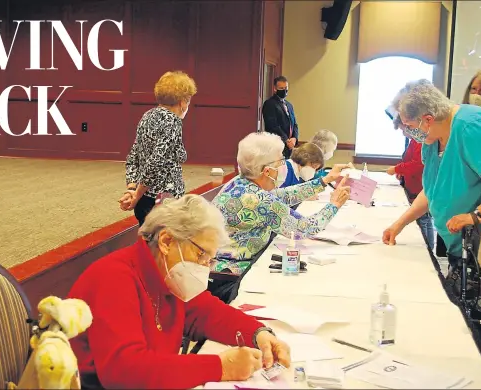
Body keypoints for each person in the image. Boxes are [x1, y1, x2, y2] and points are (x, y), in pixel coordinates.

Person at [69, 194, 291, 389]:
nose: (205, 266)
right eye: (201, 255)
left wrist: (258, 333)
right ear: (167, 241)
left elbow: (207, 313)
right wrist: (221, 367)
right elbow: (125, 371)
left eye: (210, 260)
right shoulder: (114, 278)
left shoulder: (165, 275)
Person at [382, 80, 481, 278]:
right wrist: (399, 224)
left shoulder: (472, 126)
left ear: (428, 119)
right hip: (461, 250)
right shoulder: (432, 138)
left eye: (410, 126)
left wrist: (478, 215)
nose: (410, 133)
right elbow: (433, 190)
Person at [211, 132, 351, 276]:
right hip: (232, 271)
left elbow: (285, 195)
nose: (284, 165)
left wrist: (324, 180)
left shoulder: (240, 183)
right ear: (267, 171)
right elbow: (304, 228)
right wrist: (334, 204)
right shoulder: (258, 200)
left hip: (223, 263)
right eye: (280, 162)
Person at [119, 71, 197, 226]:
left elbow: (134, 155)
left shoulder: (147, 116)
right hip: (164, 201)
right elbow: (157, 161)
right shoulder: (173, 122)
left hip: (144, 200)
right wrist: (136, 195)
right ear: (183, 102)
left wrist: (133, 188)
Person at [384, 112, 435, 251]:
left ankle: (428, 250)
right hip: (414, 186)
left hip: (421, 187)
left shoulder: (421, 141)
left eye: (404, 128)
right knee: (424, 220)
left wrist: (396, 168)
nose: (403, 133)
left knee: (424, 220)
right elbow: (409, 160)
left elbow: (417, 164)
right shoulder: (414, 140)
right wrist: (402, 172)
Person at [262, 76, 299, 159]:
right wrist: (286, 140)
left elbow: (294, 124)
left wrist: (294, 138)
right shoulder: (269, 104)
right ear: (275, 89)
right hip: (277, 145)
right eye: (281, 88)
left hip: (289, 147)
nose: (284, 90)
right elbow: (273, 125)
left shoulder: (289, 105)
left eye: (286, 88)